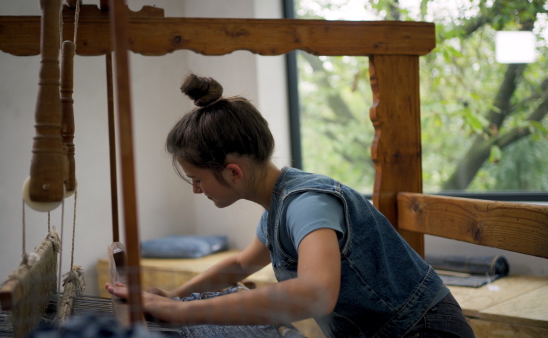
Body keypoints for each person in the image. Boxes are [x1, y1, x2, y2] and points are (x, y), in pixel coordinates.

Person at [106, 74, 475, 337]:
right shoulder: (277, 207)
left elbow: (315, 293)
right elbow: (239, 263)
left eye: (198, 180)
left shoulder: (306, 203)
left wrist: (182, 312)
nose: (196, 191)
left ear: (233, 172)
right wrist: (173, 295)